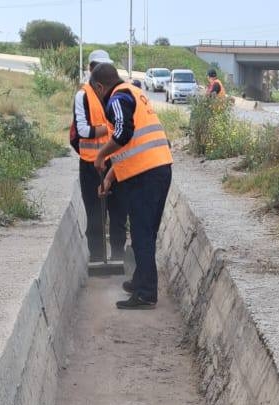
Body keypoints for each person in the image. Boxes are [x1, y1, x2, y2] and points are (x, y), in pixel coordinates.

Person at [90, 63, 173, 310]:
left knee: (141, 235)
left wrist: (100, 155)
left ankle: (146, 293)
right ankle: (140, 281)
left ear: (100, 87)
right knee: (145, 233)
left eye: (95, 92)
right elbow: (132, 147)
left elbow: (123, 134)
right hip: (158, 168)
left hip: (146, 176)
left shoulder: (117, 99)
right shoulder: (134, 93)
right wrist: (109, 177)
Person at [72, 50, 128, 262]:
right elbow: (83, 131)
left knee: (118, 213)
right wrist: (111, 128)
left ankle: (118, 257)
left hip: (116, 162)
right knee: (95, 215)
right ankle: (96, 259)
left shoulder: (117, 94)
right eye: (98, 67)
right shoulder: (83, 96)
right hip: (91, 165)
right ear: (90, 69)